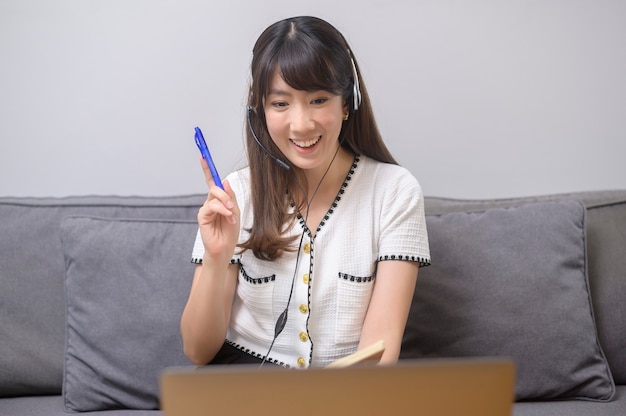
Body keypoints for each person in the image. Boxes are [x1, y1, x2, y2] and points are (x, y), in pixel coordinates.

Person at [180, 16, 430, 369]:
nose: (301, 124)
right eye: (280, 104)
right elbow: (196, 350)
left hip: (344, 393)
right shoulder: (235, 194)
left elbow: (379, 356)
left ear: (347, 103)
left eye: (318, 100)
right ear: (260, 109)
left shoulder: (395, 193)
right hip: (241, 387)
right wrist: (216, 258)